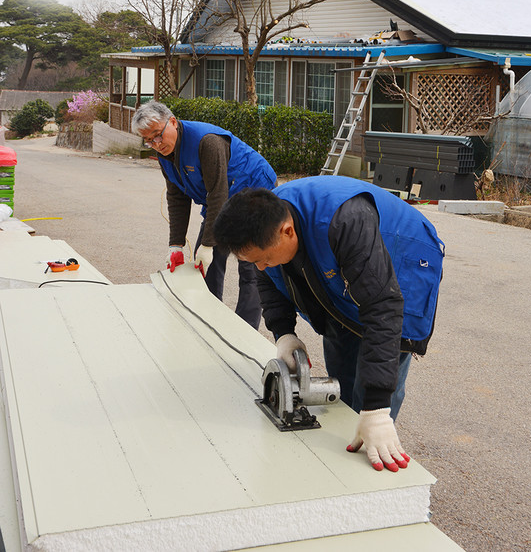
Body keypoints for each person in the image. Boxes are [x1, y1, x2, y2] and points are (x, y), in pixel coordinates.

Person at [213, 175, 444, 472]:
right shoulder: (264, 228)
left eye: (264, 259)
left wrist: (375, 407)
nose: (259, 267)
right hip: (348, 260)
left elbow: (382, 308)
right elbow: (268, 280)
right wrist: (284, 334)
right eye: (252, 261)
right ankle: (349, 435)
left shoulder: (346, 221)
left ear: (287, 231)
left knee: (375, 380)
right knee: (343, 362)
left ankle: (374, 436)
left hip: (406, 255)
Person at [131, 100, 277, 329]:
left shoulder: (207, 142)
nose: (156, 144)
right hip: (221, 199)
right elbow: (177, 198)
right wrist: (176, 246)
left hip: (254, 192)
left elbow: (218, 193)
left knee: (250, 264)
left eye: (158, 135)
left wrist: (208, 244)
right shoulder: (164, 154)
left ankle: (244, 330)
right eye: (148, 140)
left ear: (173, 122)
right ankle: (209, 322)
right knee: (206, 265)